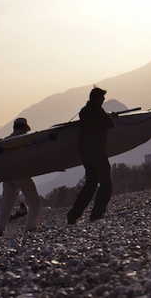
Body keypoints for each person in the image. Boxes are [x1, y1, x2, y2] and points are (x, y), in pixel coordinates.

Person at [67, 87, 115, 224]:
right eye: (103, 98)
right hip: (97, 151)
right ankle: (97, 213)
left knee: (91, 184)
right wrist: (110, 115)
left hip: (85, 153)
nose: (103, 101)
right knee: (106, 182)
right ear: (98, 99)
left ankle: (74, 214)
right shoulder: (97, 110)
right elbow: (110, 123)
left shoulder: (84, 111)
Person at [0, 117, 42, 236]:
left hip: (7, 175)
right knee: (34, 201)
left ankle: (0, 228)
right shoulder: (25, 139)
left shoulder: (5, 141)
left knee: (7, 203)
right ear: (23, 128)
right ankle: (31, 226)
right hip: (21, 173)